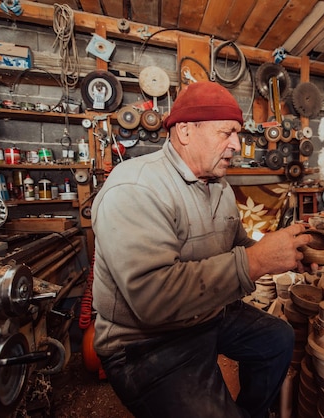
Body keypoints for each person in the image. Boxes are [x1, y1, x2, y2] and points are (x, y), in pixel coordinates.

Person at [91, 81, 311, 418]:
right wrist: (256, 261)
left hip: (205, 314)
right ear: (185, 131)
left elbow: (238, 245)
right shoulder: (135, 188)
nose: (237, 144)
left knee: (277, 338)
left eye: (238, 133)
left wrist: (282, 257)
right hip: (144, 342)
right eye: (227, 133)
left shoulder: (219, 186)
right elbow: (153, 297)